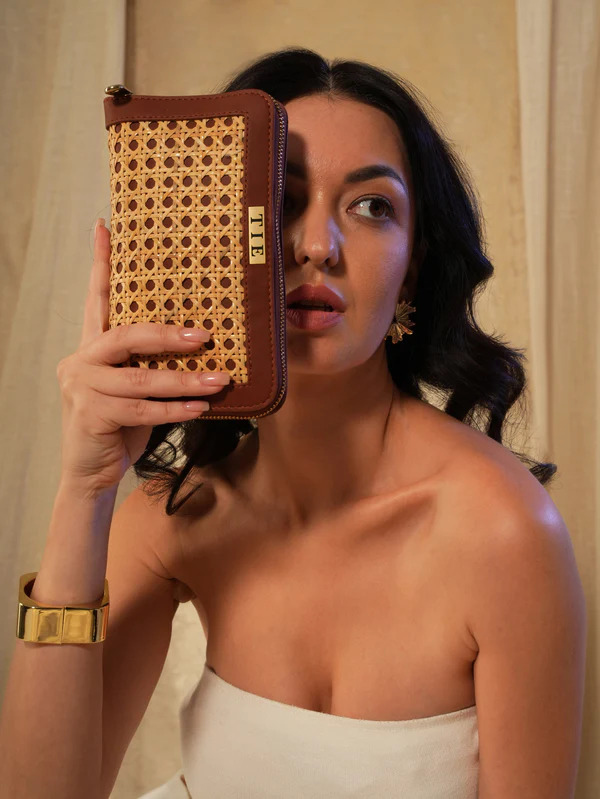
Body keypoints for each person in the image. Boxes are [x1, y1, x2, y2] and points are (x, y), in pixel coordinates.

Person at [0, 47, 586, 799]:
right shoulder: (184, 510)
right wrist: (83, 489)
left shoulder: (502, 531)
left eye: (372, 206)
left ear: (413, 265)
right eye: (281, 200)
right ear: (214, 230)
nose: (317, 246)